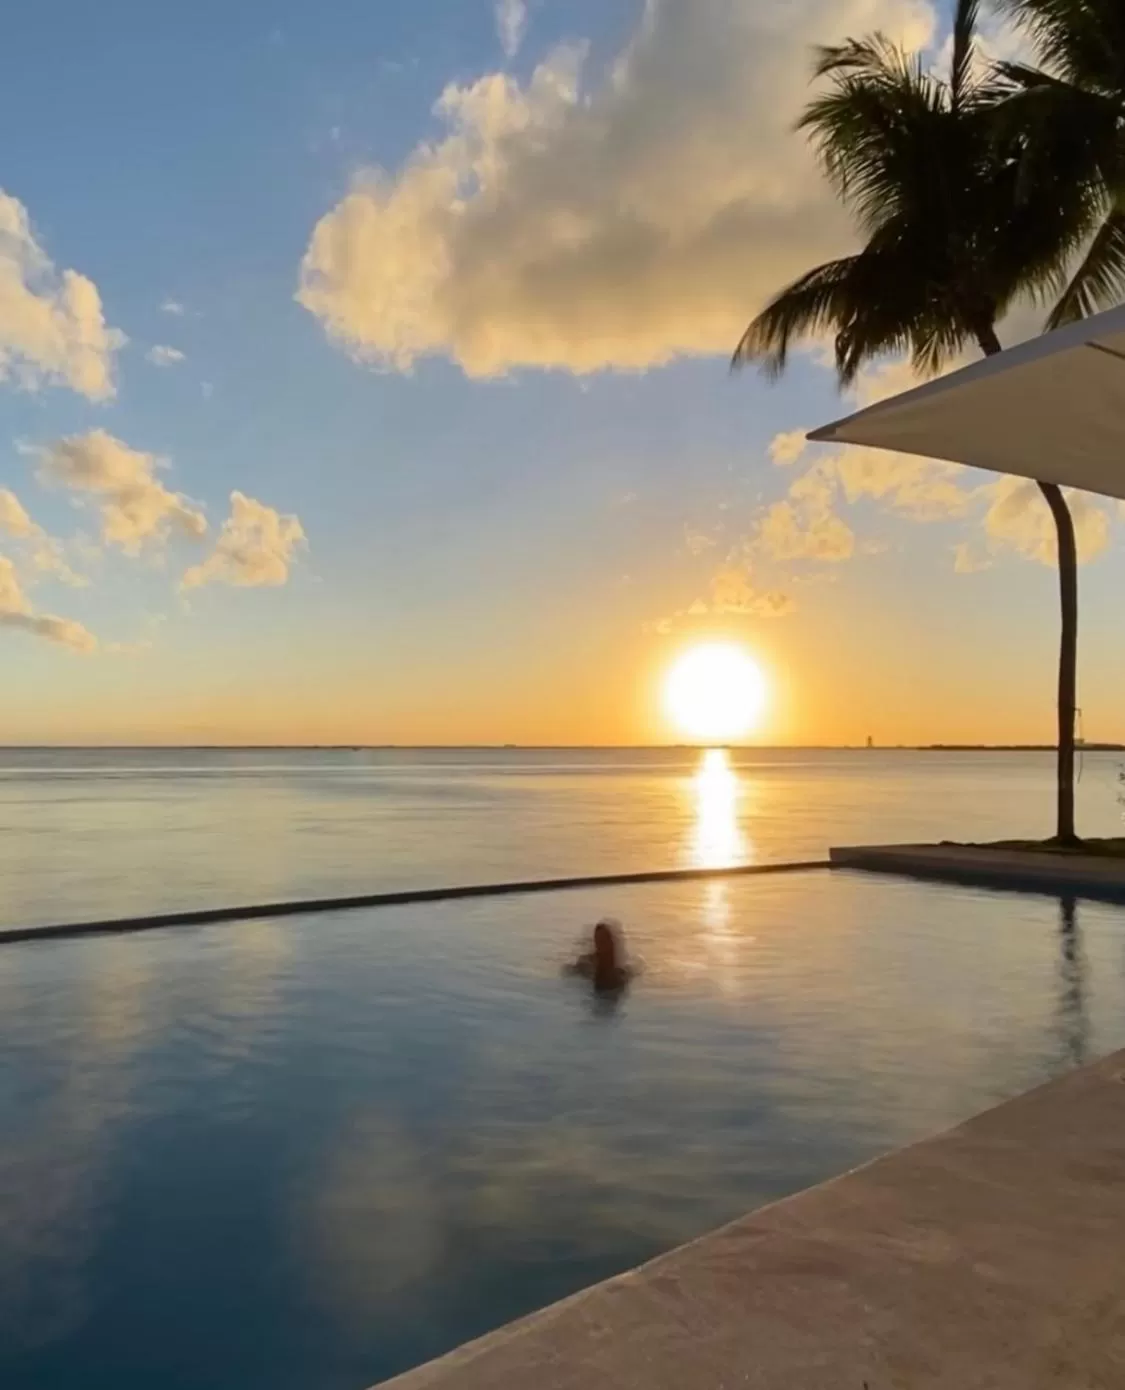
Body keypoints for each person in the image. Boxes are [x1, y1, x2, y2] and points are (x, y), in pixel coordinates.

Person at [569, 918, 631, 993]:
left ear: (611, 943)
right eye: (598, 941)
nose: (600, 946)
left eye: (603, 941)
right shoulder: (587, 962)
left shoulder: (619, 975)